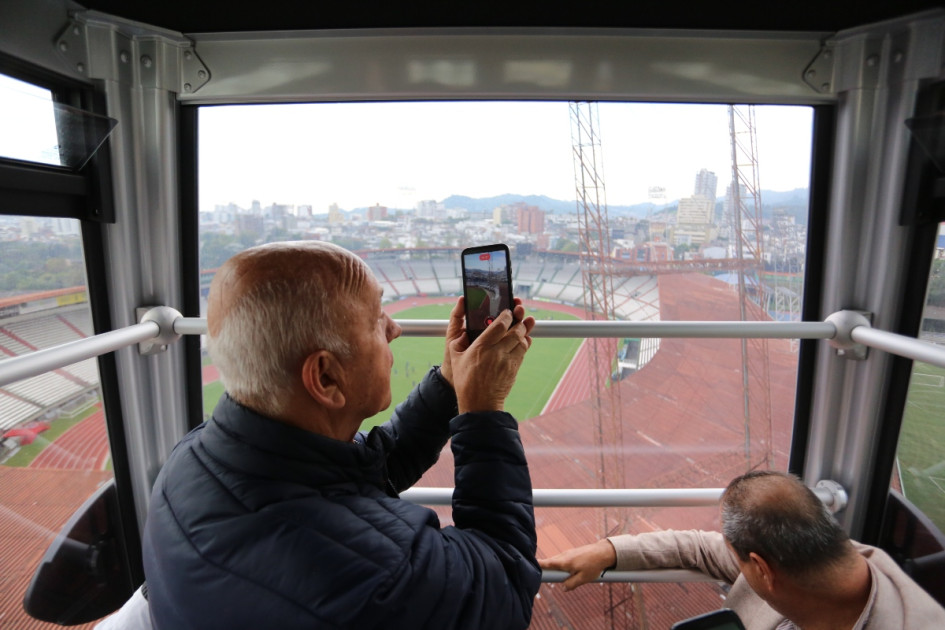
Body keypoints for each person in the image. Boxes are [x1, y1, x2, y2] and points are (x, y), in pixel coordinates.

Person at [140, 241, 540, 630]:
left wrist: (450, 384)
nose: (394, 328)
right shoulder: (382, 575)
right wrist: (484, 411)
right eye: (377, 318)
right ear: (326, 377)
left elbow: (358, 471)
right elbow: (505, 580)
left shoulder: (198, 455)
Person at [539, 470, 945, 630]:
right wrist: (610, 551)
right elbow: (699, 546)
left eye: (737, 559)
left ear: (762, 570)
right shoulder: (823, 554)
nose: (726, 555)